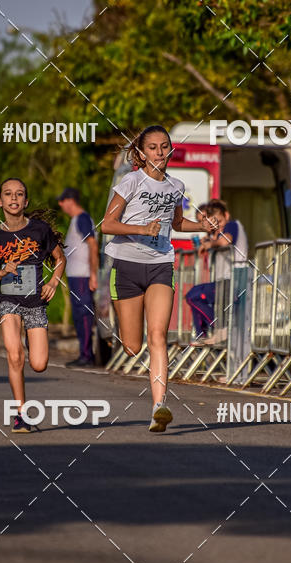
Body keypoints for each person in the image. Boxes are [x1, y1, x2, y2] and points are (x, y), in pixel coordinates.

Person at [101, 125, 217, 433]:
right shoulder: (131, 181)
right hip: (126, 266)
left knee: (158, 336)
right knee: (132, 346)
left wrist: (204, 227)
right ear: (141, 153)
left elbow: (177, 223)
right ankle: (123, 323)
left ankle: (158, 408)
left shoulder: (175, 185)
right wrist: (141, 230)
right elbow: (107, 225)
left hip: (160, 265)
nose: (160, 153)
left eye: (164, 146)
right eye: (153, 147)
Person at [0, 178, 66, 433]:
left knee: (38, 364)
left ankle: (30, 340)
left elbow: (60, 259)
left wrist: (53, 282)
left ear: (25, 201)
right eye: (8, 194)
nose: (14, 198)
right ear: (0, 201)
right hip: (8, 301)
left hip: (35, 302)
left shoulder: (39, 230)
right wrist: (3, 272)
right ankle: (21, 414)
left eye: (19, 194)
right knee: (14, 356)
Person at [185, 199, 248, 344]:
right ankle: (204, 334)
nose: (217, 225)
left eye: (219, 221)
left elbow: (226, 241)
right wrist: (209, 239)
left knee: (193, 296)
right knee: (193, 296)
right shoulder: (219, 231)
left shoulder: (232, 225)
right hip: (224, 279)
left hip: (234, 279)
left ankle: (222, 329)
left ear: (226, 216)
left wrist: (211, 243)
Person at [57, 187, 98, 368]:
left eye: (62, 201)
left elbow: (93, 245)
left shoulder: (82, 219)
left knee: (83, 314)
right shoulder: (76, 220)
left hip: (83, 275)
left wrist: (93, 275)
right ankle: (84, 353)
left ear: (70, 201)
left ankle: (87, 355)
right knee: (78, 315)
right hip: (77, 276)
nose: (61, 206)